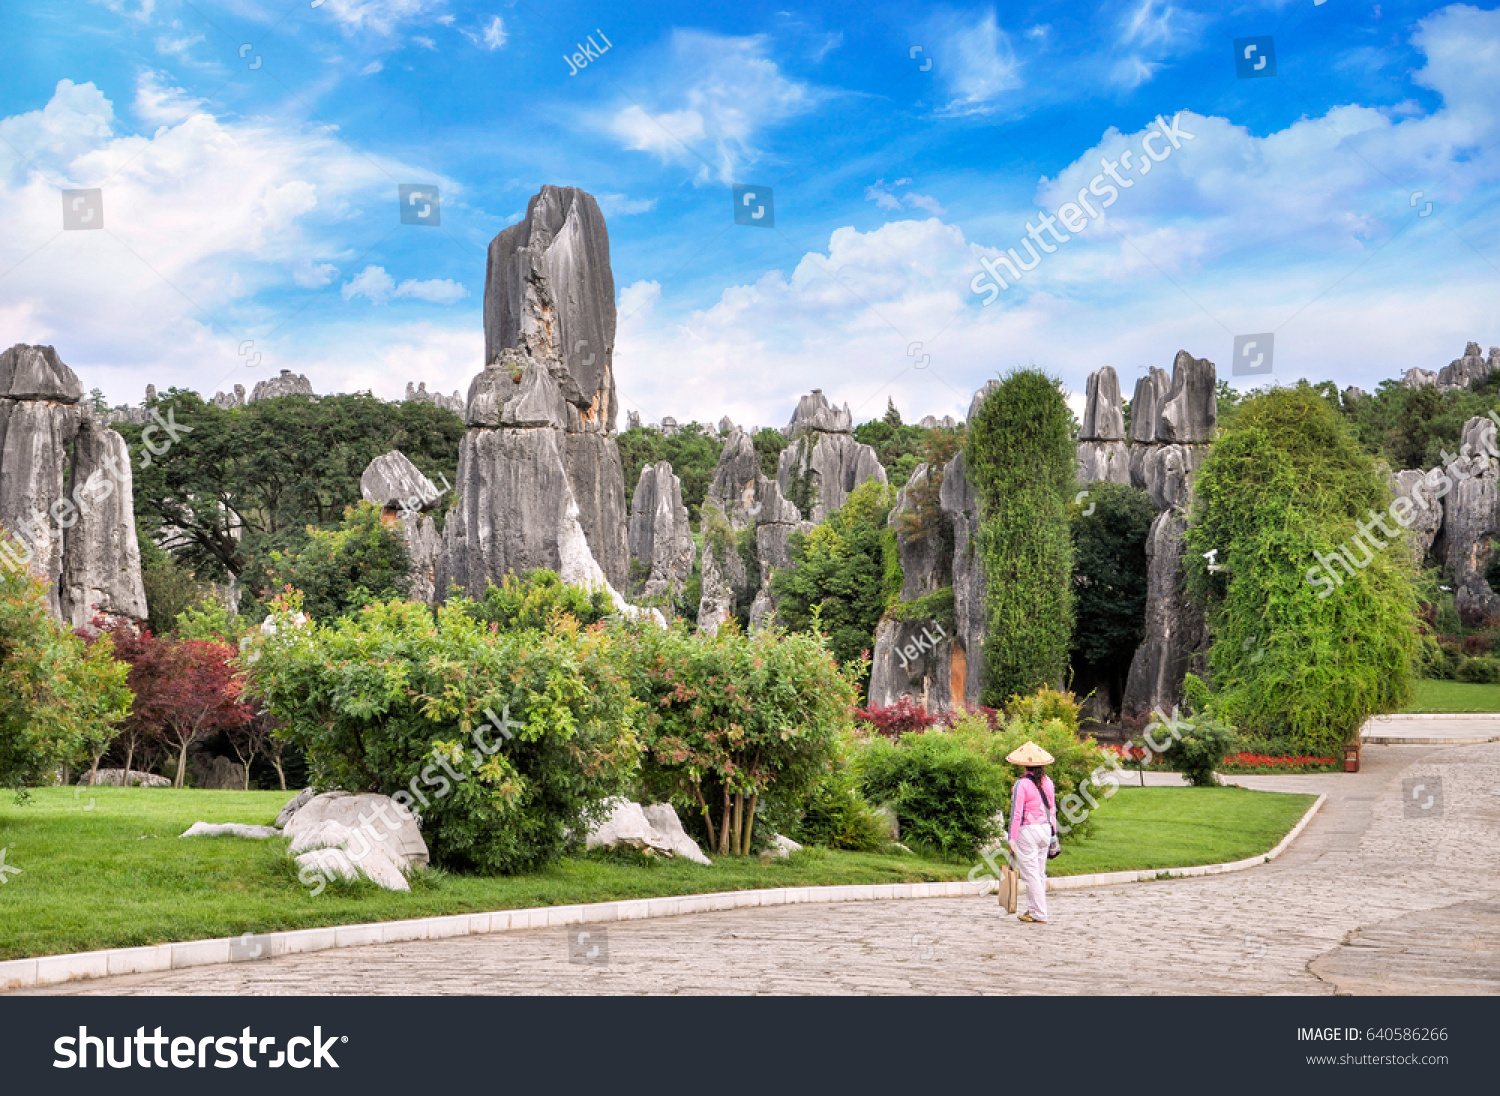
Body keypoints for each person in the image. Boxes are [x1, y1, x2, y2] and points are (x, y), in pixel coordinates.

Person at [1006, 741, 1058, 924]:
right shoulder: (1048, 782)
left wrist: (1011, 838)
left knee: (1031, 875)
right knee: (1039, 873)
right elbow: (1052, 809)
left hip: (1027, 831)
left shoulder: (1021, 784)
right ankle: (1034, 909)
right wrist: (1055, 833)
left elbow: (1016, 813)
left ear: (1024, 765)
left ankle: (1039, 913)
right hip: (1045, 829)